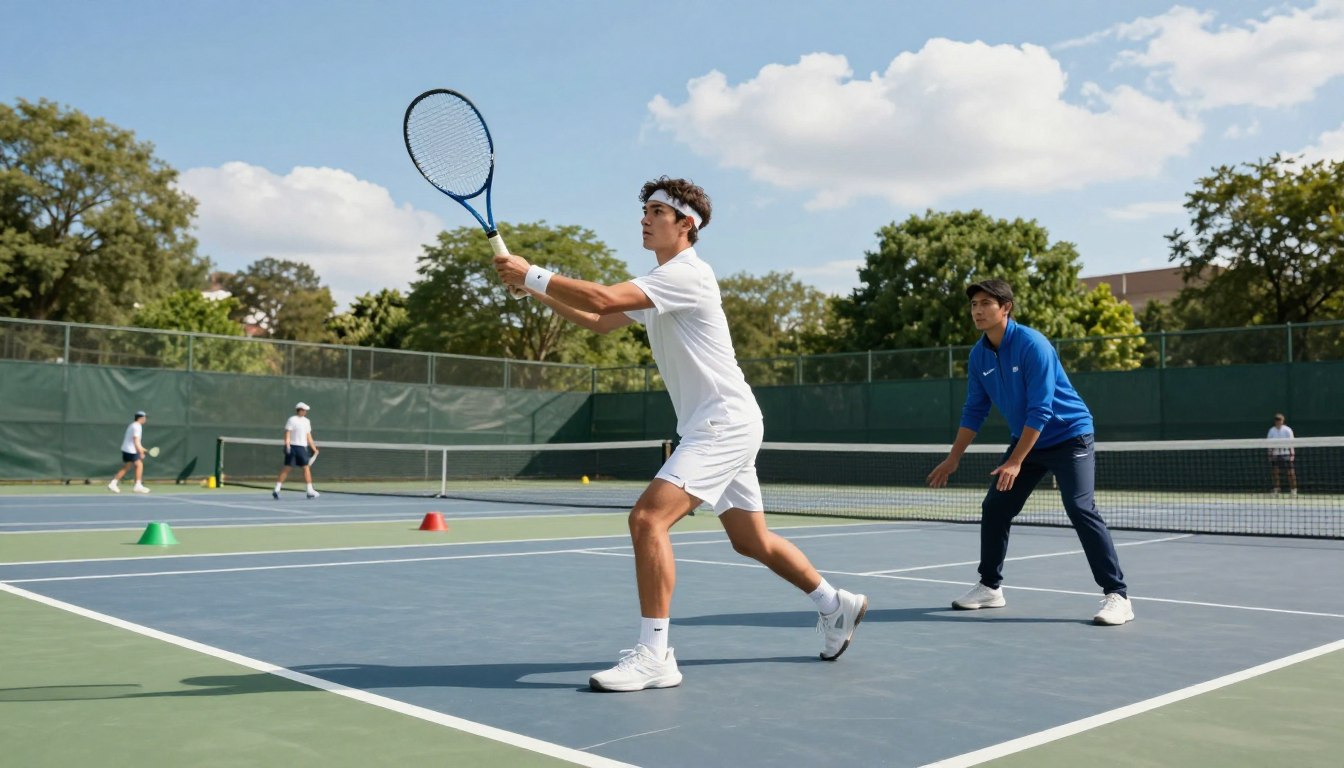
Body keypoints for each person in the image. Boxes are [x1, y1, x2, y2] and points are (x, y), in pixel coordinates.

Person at [493, 176, 868, 692]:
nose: (644, 219)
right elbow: (599, 319)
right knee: (751, 540)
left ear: (685, 224)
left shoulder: (688, 275)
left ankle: (655, 656)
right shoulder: (660, 281)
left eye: (655, 212)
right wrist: (535, 291)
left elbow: (602, 298)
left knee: (648, 519)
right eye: (644, 211)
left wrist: (532, 273)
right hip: (725, 422)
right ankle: (834, 603)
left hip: (722, 424)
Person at [926, 279, 1133, 626]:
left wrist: (1015, 461)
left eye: (986, 303)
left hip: (1070, 436)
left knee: (1080, 507)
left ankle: (1118, 596)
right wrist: (954, 457)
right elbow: (974, 410)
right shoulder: (978, 355)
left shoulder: (1033, 345)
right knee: (995, 507)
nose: (977, 310)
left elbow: (1041, 409)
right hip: (1027, 440)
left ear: (1005, 308)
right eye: (974, 304)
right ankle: (990, 587)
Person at [273, 402, 319, 499]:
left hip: (302, 447)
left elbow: (308, 436)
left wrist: (314, 448)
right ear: (300, 410)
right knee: (289, 468)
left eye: (306, 411)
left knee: (305, 468)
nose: (305, 412)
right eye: (304, 410)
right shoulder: (292, 419)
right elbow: (287, 433)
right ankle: (276, 489)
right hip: (293, 447)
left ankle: (309, 490)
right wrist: (287, 445)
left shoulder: (307, 421)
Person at [109, 410, 150, 494]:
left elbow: (136, 441)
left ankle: (113, 483)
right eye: (145, 417)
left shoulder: (133, 425)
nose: (145, 419)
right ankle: (138, 485)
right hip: (131, 450)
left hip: (127, 449)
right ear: (141, 418)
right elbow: (135, 441)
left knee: (127, 467)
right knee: (139, 464)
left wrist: (143, 449)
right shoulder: (137, 426)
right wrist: (141, 452)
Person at [1267, 413, 1297, 497]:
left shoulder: (1288, 430)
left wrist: (1292, 455)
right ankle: (1276, 490)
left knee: (1290, 473)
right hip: (1275, 455)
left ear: (1283, 421)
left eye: (1280, 420)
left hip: (1286, 454)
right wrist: (1270, 454)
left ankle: (1293, 491)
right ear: (1275, 421)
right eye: (1277, 420)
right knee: (1275, 473)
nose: (1278, 422)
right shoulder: (1271, 430)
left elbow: (1292, 443)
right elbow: (1269, 443)